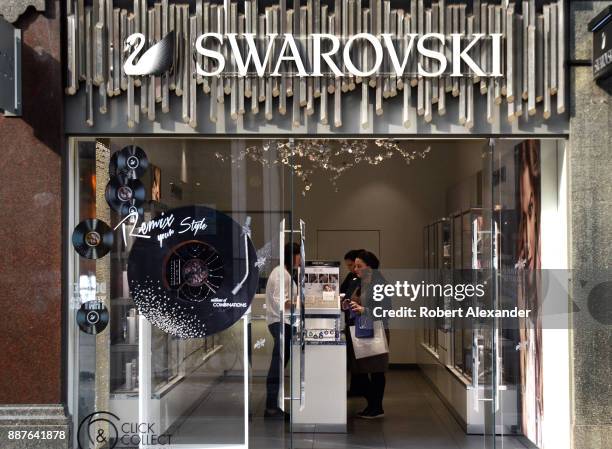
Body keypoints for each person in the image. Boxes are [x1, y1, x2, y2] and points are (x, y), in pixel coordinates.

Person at [349, 250, 392, 419]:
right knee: (361, 370)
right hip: (362, 328)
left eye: (359, 266)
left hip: (377, 330)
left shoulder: (381, 284)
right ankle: (372, 404)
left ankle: (376, 407)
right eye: (355, 266)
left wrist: (363, 309)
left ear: (370, 267)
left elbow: (386, 311)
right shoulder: (359, 282)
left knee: (376, 371)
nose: (355, 269)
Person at [264, 242, 301, 419]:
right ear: (292, 255)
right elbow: (281, 303)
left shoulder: (284, 273)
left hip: (284, 323)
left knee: (278, 365)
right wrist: (301, 303)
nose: (301, 259)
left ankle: (273, 405)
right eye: (298, 254)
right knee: (277, 366)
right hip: (280, 323)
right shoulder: (281, 274)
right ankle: (271, 407)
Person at [340, 249, 366, 397]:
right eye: (351, 266)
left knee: (361, 359)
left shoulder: (368, 280)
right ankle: (356, 388)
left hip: (361, 322)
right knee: (354, 358)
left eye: (355, 266)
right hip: (351, 319)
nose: (352, 269)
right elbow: (344, 293)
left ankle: (364, 390)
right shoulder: (352, 277)